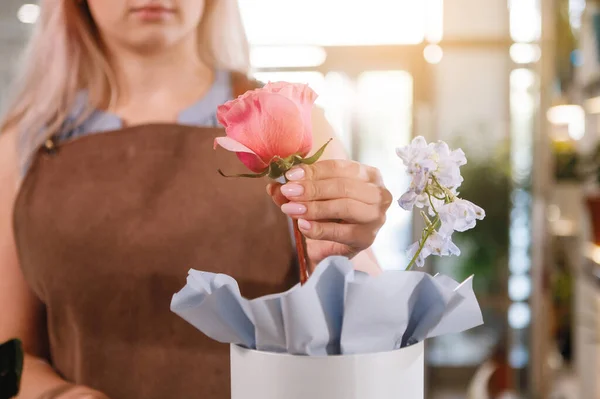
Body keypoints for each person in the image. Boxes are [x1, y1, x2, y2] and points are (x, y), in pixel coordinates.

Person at [0, 1, 391, 398]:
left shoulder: (289, 122)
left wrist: (344, 246)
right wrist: (60, 396)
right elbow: (11, 351)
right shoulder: (23, 145)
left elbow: (372, 325)